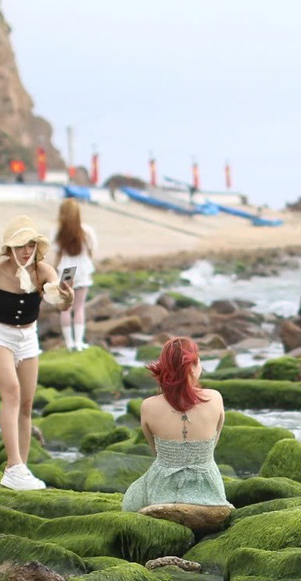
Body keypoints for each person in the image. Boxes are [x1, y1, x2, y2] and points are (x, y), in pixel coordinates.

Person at [0, 218, 72, 491]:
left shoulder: (43, 270)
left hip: (27, 338)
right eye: (20, 245)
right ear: (9, 249)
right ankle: (14, 466)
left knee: (27, 404)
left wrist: (66, 296)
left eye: (31, 245)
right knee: (11, 393)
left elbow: (60, 303)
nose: (26, 250)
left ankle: (21, 469)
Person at [121, 337, 230, 515]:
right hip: (209, 488)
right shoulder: (215, 398)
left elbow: (157, 453)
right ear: (193, 366)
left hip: (162, 489)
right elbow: (211, 446)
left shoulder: (148, 406)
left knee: (131, 502)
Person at [52, 199, 99, 351]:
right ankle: (79, 342)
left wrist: (54, 271)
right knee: (79, 307)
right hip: (83, 269)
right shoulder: (86, 231)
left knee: (66, 308)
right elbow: (91, 251)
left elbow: (58, 254)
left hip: (67, 269)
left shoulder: (58, 232)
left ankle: (69, 343)